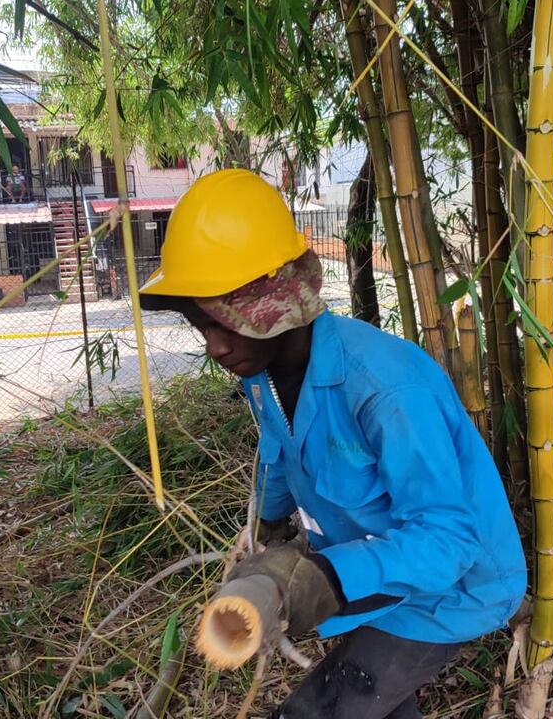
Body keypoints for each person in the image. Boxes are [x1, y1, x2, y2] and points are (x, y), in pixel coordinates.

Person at [139, 169, 527, 719]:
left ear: (278, 298)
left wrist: (328, 578)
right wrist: (269, 525)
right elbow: (279, 448)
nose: (215, 347)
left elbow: (449, 540)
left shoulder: (386, 390)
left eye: (225, 322)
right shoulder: (262, 373)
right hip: (376, 566)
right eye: (203, 327)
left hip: (451, 589)